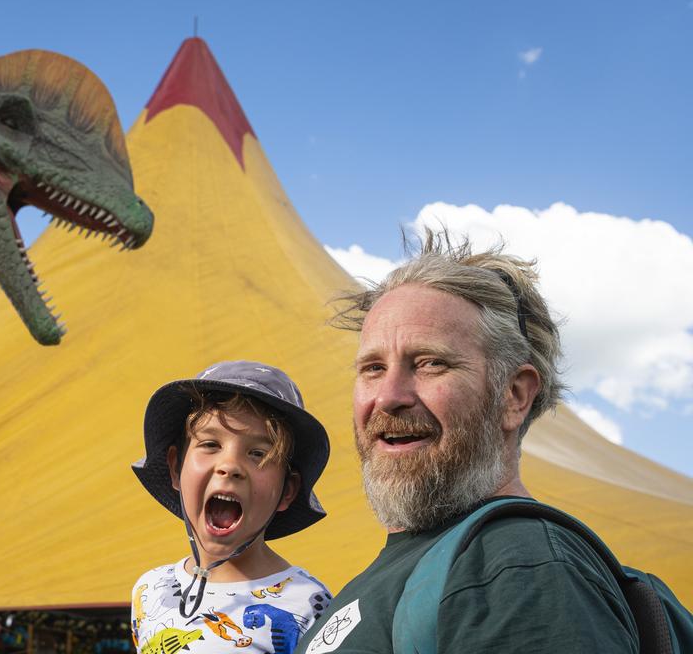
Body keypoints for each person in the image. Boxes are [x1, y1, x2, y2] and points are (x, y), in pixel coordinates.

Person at [298, 232, 638, 654]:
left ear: (513, 396)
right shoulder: (399, 576)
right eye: (372, 367)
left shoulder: (515, 564)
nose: (388, 396)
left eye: (430, 363)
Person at [131, 360, 333, 654]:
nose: (230, 466)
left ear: (287, 490)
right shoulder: (149, 591)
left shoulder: (310, 604)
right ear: (175, 467)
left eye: (258, 453)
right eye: (211, 444)